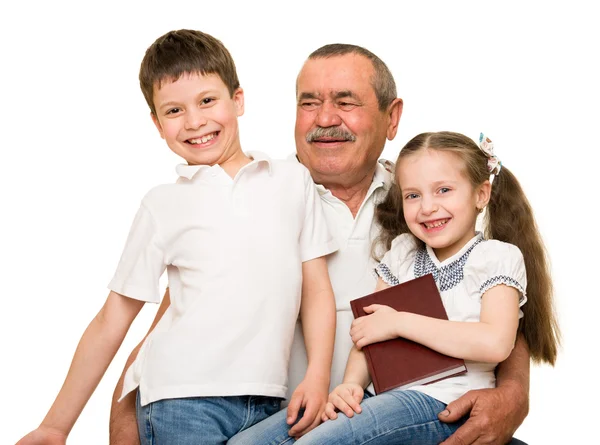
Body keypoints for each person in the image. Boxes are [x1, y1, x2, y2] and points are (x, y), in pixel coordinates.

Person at [111, 44, 534, 445]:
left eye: (346, 102)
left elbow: (494, 310)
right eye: (309, 103)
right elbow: (172, 322)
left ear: (392, 117)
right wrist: (124, 419)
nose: (325, 118)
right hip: (290, 421)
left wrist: (513, 392)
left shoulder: (426, 199)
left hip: (407, 419)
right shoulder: (263, 196)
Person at [15, 29, 338, 445]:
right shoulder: (162, 205)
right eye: (173, 110)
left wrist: (317, 376)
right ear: (156, 123)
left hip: (269, 399)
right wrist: (55, 426)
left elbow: (316, 291)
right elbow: (112, 320)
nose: (195, 121)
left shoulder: (292, 181)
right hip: (181, 399)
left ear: (237, 100)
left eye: (207, 101)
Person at [233, 131, 561, 444]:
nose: (428, 207)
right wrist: (350, 384)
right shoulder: (403, 252)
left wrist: (400, 322)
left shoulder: (496, 257)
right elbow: (369, 330)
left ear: (481, 194)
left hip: (443, 402)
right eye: (413, 195)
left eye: (444, 190)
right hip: (384, 395)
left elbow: (495, 343)